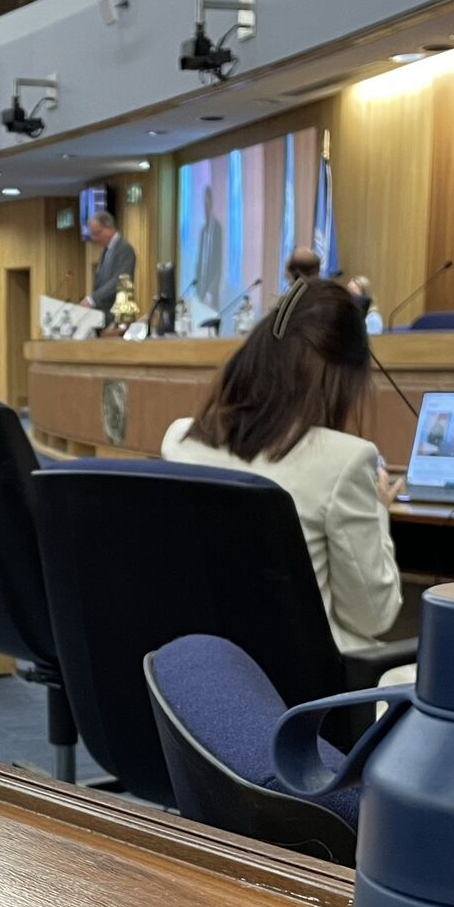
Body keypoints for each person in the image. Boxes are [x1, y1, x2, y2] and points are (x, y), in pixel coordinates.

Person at [160, 277, 403, 653]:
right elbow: (372, 616)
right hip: (312, 694)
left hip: (201, 674)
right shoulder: (346, 461)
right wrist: (377, 508)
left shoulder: (180, 440)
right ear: (345, 378)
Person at [82, 210, 138, 315]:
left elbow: (120, 281)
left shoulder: (124, 249)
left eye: (96, 233)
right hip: (102, 315)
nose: (94, 238)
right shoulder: (106, 250)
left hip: (118, 316)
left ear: (109, 228)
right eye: (92, 235)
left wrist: (92, 299)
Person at [195, 184, 224, 309]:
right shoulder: (203, 230)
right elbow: (200, 259)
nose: (205, 207)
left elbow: (218, 261)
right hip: (201, 286)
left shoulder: (217, 229)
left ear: (211, 204)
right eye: (204, 204)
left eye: (208, 203)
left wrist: (212, 288)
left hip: (212, 287)